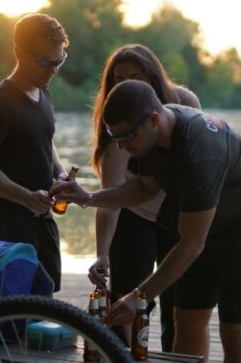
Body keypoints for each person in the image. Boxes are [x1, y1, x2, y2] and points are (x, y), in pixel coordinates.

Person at [51, 80, 241, 362]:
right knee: (185, 318)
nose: (123, 146)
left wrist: (138, 296)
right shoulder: (150, 137)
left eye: (127, 138)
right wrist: (87, 197)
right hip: (202, 224)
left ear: (154, 120)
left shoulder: (198, 154)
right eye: (116, 138)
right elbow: (143, 189)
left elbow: (192, 244)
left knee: (235, 332)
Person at [89, 44, 200, 350]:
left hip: (176, 215)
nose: (125, 84)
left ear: (153, 76)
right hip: (134, 213)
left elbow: (197, 168)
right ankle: (122, 356)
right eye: (118, 78)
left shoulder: (184, 102)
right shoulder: (115, 123)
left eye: (134, 76)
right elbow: (110, 194)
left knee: (177, 305)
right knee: (128, 298)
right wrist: (102, 254)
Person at [0, 13, 70, 292]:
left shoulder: (44, 93)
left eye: (59, 61)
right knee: (4, 313)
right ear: (18, 52)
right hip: (5, 227)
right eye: (44, 61)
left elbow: (45, 143)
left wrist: (59, 174)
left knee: (44, 308)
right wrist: (25, 197)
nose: (52, 70)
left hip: (42, 223)